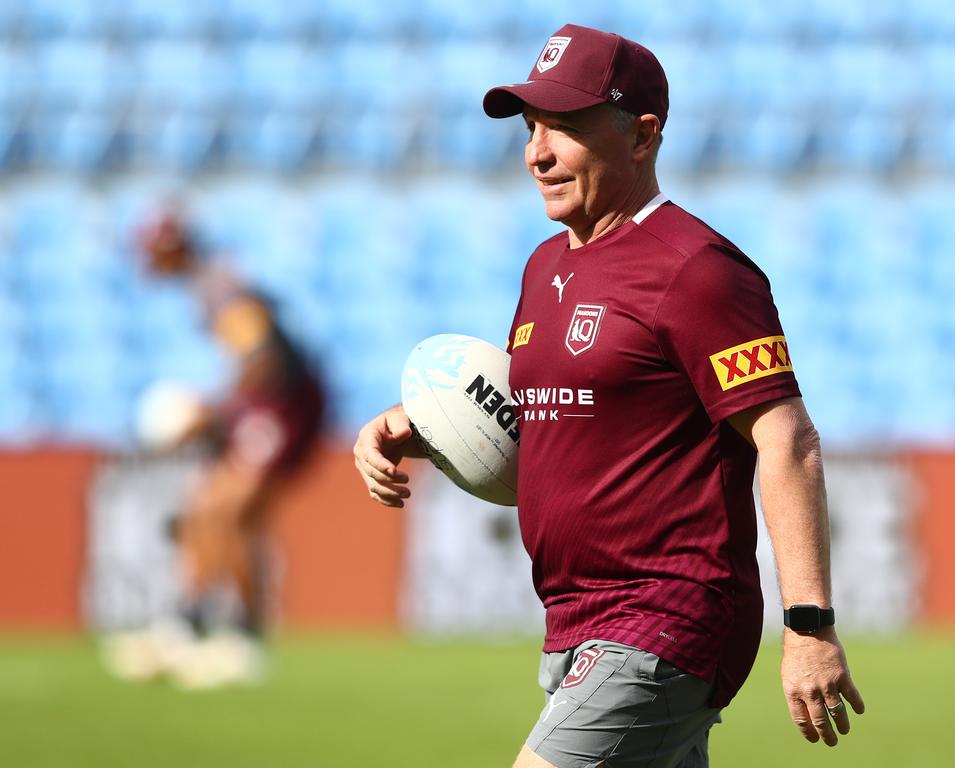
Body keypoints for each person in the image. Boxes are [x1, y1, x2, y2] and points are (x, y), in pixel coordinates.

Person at [353, 24, 864, 767]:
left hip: (669, 613)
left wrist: (809, 625)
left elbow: (787, 439)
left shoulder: (699, 271)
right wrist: (418, 425)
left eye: (564, 127)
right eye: (531, 129)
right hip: (574, 618)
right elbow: (540, 408)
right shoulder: (542, 267)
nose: (537, 153)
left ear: (643, 136)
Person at [105, 210, 326, 689]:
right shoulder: (210, 284)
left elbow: (262, 357)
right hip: (270, 404)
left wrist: (212, 411)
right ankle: (188, 623)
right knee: (209, 507)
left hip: (283, 404)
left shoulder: (215, 288)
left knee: (230, 510)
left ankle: (242, 639)